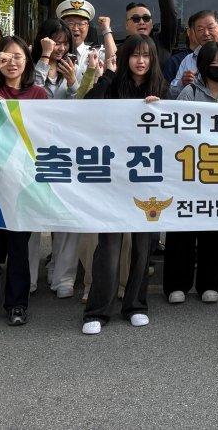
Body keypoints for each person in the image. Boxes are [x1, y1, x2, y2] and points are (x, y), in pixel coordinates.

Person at [81, 35, 169, 335]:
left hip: (149, 178)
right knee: (109, 245)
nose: (140, 61)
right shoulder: (113, 85)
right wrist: (107, 72)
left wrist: (161, 110)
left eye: (146, 55)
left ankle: (136, 305)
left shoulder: (163, 89)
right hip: (115, 176)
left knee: (144, 246)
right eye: (134, 55)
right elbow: (88, 106)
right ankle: (97, 311)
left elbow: (176, 132)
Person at [0, 36, 47, 329]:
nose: (12, 62)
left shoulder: (38, 94)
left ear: (28, 60)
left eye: (18, 57)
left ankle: (17, 304)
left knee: (19, 247)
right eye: (6, 57)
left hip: (22, 181)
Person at [166, 41, 218, 305]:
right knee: (183, 229)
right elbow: (176, 128)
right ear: (202, 67)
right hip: (189, 172)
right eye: (213, 64)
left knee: (215, 228)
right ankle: (177, 284)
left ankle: (210, 283)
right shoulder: (188, 92)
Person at [30, 18, 84, 297]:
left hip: (65, 150)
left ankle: (63, 277)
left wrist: (74, 82)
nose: (61, 47)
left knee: (66, 216)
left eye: (65, 43)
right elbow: (32, 94)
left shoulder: (74, 67)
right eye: (55, 41)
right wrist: (44, 57)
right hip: (31, 150)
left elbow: (82, 109)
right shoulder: (30, 64)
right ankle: (27, 278)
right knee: (29, 217)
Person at [32, 18, 80, 100]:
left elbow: (78, 101)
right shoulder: (29, 66)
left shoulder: (72, 68)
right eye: (57, 43)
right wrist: (46, 54)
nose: (62, 48)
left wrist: (72, 83)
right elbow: (34, 93)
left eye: (66, 44)